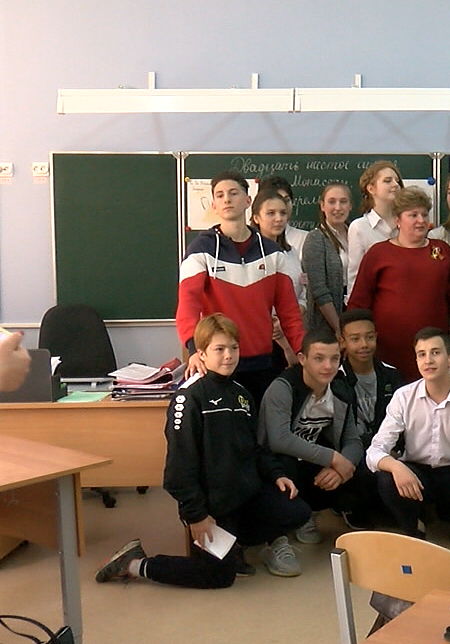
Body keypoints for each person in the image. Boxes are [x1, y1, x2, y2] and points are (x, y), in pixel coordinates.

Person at [95, 314, 310, 588]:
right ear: (202, 354)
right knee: (219, 576)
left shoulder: (242, 395)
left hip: (242, 495)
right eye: (219, 349)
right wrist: (196, 514)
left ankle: (232, 543)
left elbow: (253, 448)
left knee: (297, 511)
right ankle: (134, 564)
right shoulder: (189, 397)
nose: (228, 356)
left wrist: (276, 474)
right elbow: (179, 468)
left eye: (234, 348)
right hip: (211, 505)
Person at [177, 171, 304, 404]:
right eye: (220, 195)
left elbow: (290, 312)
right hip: (219, 365)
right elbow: (188, 306)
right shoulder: (199, 251)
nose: (227, 199)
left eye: (233, 193)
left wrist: (300, 351)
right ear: (214, 205)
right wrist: (194, 349)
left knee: (263, 425)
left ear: (247, 201)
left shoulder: (274, 253)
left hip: (263, 363)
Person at [367, 327, 450, 542]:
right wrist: (396, 466)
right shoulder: (404, 397)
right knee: (387, 479)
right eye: (421, 354)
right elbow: (375, 451)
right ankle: (415, 526)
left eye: (435, 352)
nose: (428, 360)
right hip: (417, 471)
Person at [258, 328, 373, 544]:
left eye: (334, 358)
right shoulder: (283, 388)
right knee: (287, 463)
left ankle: (322, 509)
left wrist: (341, 469)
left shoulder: (340, 390)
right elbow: (279, 439)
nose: (328, 366)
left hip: (313, 461)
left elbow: (353, 440)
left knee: (363, 469)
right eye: (319, 359)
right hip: (275, 465)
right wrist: (333, 458)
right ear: (302, 359)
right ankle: (291, 522)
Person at [348, 186, 450, 380]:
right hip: (388, 350)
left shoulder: (442, 251)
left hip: (433, 351)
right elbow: (358, 303)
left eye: (424, 214)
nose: (421, 220)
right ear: (397, 220)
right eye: (413, 215)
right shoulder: (379, 253)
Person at [251, 189, 305, 367]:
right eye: (271, 213)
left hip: (291, 332)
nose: (278, 218)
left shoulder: (291, 252)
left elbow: (302, 292)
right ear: (256, 218)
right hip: (261, 339)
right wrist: (277, 328)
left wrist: (292, 315)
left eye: (282, 213)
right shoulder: (248, 256)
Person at [335, 309, 403, 449]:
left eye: (370, 337)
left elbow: (403, 421)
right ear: (342, 342)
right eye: (355, 339)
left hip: (389, 450)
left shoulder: (391, 375)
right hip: (352, 451)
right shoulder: (337, 379)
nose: (364, 344)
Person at [346, 160, 403, 297]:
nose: (395, 185)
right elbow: (355, 276)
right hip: (374, 303)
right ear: (371, 189)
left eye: (397, 181)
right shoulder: (360, 227)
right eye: (387, 181)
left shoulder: (408, 223)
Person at [302, 182, 352, 335]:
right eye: (332, 202)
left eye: (343, 202)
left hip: (355, 313)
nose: (338, 207)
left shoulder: (356, 233)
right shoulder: (316, 238)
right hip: (326, 323)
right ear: (322, 206)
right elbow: (318, 289)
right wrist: (338, 328)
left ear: (350, 206)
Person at [259, 175, 308, 254]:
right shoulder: (249, 242)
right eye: (271, 213)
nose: (283, 205)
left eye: (286, 200)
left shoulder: (305, 239)